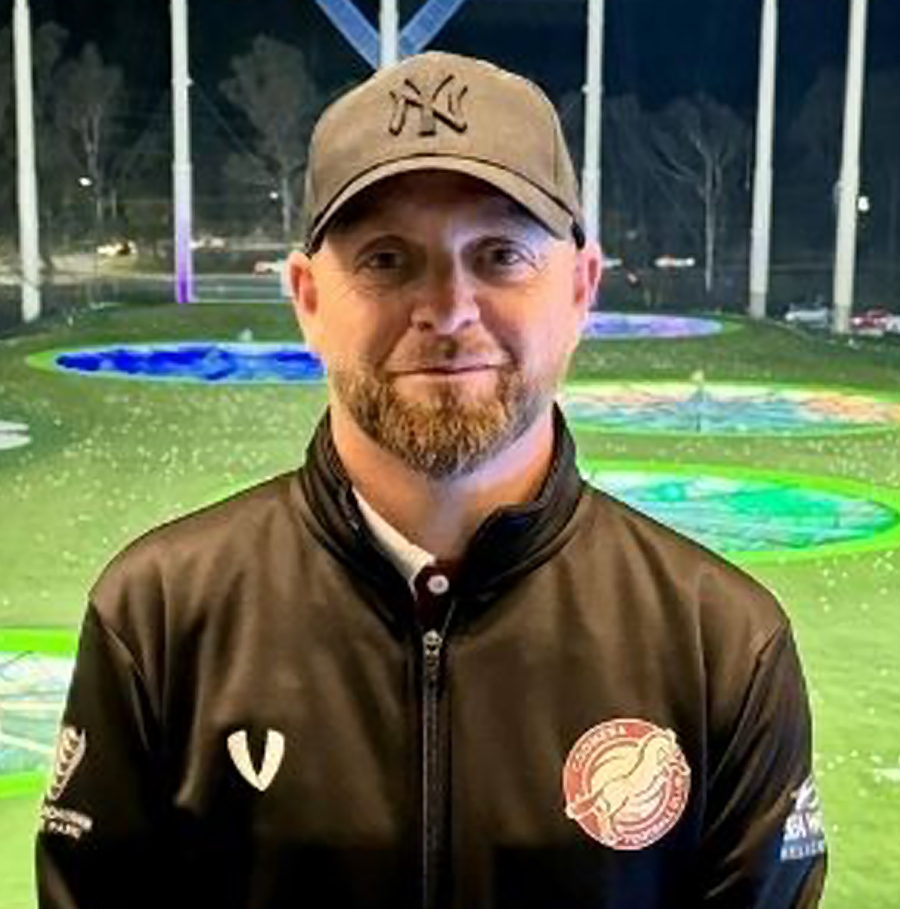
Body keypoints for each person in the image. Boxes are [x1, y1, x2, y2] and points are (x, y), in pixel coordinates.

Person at [36, 51, 826, 908]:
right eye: (385, 259)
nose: (448, 309)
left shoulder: (721, 647)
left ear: (580, 289)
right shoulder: (157, 620)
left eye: (499, 254)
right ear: (307, 299)